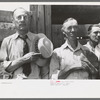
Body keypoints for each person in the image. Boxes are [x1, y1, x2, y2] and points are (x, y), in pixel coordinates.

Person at [0, 7, 53, 79]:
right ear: (13, 21)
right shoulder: (7, 41)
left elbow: (45, 69)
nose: (22, 20)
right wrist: (24, 59)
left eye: (25, 17)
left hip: (35, 84)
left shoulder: (39, 40)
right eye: (19, 17)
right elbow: (3, 68)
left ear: (29, 20)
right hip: (16, 84)